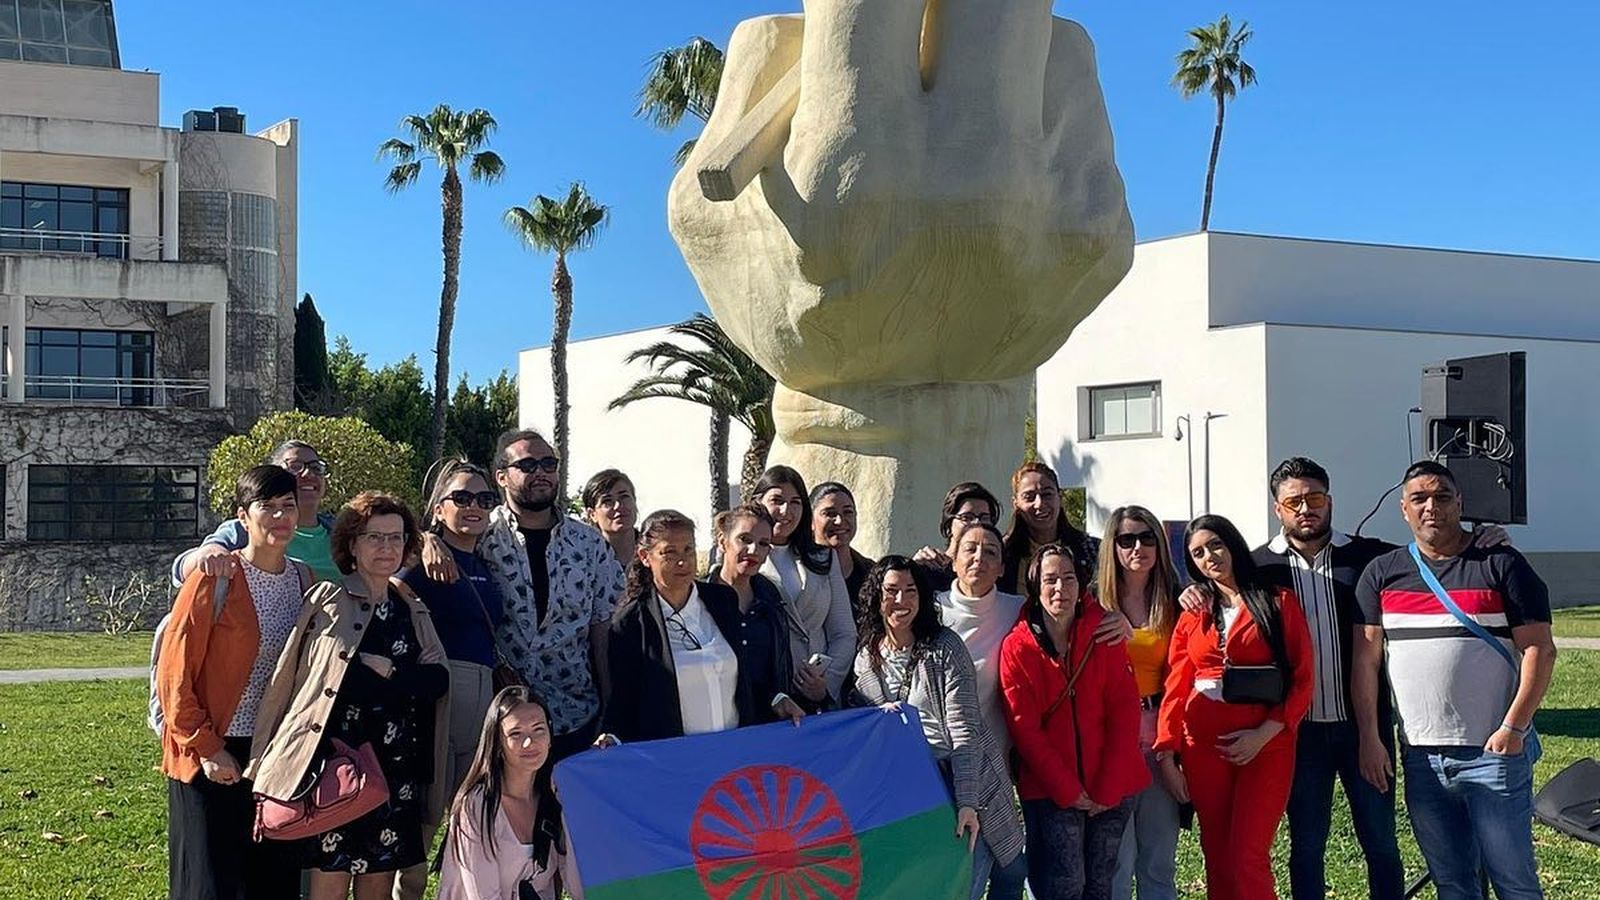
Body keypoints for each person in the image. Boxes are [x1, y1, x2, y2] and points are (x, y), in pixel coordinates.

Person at [1353, 461, 1556, 900]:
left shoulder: (1501, 563)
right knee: (1453, 883)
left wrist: (1513, 729)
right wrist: (1370, 736)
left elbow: (1540, 650)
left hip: (1493, 754)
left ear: (1460, 504)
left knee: (1514, 882)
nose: (1431, 507)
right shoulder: (1382, 573)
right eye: (1419, 499)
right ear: (1403, 509)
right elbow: (1365, 661)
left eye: (1442, 497)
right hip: (1421, 759)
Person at [248, 492, 451, 900]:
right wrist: (387, 678)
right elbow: (322, 681)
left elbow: (437, 682)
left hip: (395, 770)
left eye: (396, 538)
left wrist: (390, 671)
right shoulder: (327, 601)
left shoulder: (410, 605)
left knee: (378, 890)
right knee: (330, 885)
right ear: (352, 545)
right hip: (337, 767)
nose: (386, 547)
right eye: (375, 537)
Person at [426, 430, 626, 761]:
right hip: (501, 719)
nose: (541, 472)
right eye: (528, 465)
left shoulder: (589, 544)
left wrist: (611, 708)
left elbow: (602, 629)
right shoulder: (481, 535)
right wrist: (427, 540)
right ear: (501, 477)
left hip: (577, 717)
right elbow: (427, 538)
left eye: (549, 464)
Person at [156, 465, 308, 900]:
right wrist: (208, 748)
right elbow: (174, 675)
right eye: (267, 507)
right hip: (212, 751)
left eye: (288, 506)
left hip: (273, 756)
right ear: (243, 516)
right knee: (210, 885)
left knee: (271, 885)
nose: (279, 516)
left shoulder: (302, 580)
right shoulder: (216, 576)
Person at [1155, 514, 1313, 900]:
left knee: (1247, 854)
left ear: (1232, 545)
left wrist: (1266, 732)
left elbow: (1304, 676)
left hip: (1265, 743)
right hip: (1203, 746)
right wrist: (1167, 752)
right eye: (1198, 553)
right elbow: (1176, 684)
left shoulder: (1277, 601)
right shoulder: (1194, 612)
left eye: (1215, 545)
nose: (1209, 557)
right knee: (1217, 854)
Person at [851, 556, 1026, 900]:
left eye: (910, 590)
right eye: (891, 591)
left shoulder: (945, 647)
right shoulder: (866, 659)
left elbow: (964, 729)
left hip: (960, 779)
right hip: (910, 791)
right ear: (875, 597)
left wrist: (967, 802)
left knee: (974, 880)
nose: (901, 600)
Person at [1001, 543, 1147, 900]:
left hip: (1111, 783)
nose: (1060, 589)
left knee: (1100, 884)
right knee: (1064, 884)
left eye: (1068, 579)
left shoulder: (1104, 633)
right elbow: (1025, 729)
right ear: (1035, 587)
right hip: (1051, 788)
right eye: (1050, 580)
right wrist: (1068, 790)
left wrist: (1107, 789)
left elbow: (1125, 713)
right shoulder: (1018, 647)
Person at [394, 460, 506, 900]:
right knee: (425, 815)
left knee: (473, 815)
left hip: (484, 695)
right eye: (461, 497)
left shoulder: (486, 561)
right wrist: (424, 540)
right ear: (439, 508)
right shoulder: (421, 561)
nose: (474, 506)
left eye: (484, 499)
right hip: (441, 694)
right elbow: (391, 591)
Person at [600, 510, 805, 743]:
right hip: (679, 755)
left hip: (737, 748)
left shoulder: (723, 601)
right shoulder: (630, 623)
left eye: (688, 549)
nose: (683, 561)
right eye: (669, 552)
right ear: (645, 557)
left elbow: (745, 675)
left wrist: (777, 699)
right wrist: (611, 737)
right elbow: (623, 701)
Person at [1100, 506, 1185, 900]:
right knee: (1116, 862)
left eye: (1147, 537)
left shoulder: (1175, 600)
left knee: (1158, 860)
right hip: (1111, 742)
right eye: (1127, 539)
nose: (1138, 547)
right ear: (1113, 547)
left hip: (1159, 740)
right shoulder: (1094, 604)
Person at [438, 687, 582, 900]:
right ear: (498, 743)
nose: (529, 742)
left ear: (550, 737)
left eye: (538, 730)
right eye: (516, 733)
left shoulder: (556, 798)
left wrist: (601, 762)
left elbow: (579, 886)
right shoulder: (478, 805)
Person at [754, 466, 856, 710]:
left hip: (816, 696)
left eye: (795, 502)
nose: (786, 511)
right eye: (777, 501)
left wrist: (825, 684)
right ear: (758, 502)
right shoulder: (747, 559)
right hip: (768, 697)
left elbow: (844, 633)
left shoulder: (824, 558)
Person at [171, 439, 340, 585]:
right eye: (295, 467)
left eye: (316, 468)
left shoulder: (342, 532)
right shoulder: (247, 529)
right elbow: (181, 569)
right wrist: (210, 553)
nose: (308, 473)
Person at [934, 523, 1025, 761]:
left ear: (1002, 569)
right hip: (934, 755)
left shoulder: (1018, 610)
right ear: (954, 562)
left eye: (990, 552)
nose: (979, 558)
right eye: (970, 549)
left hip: (993, 761)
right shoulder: (931, 610)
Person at [707, 504, 797, 727]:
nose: (754, 549)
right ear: (723, 541)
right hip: (715, 727)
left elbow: (774, 671)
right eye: (744, 539)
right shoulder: (698, 599)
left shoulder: (772, 598)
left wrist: (781, 697)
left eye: (763, 543)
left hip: (764, 728)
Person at [1001, 462, 1101, 596]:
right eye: (1029, 497)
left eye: (1047, 494)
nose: (1039, 504)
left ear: (1060, 498)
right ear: (1016, 504)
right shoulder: (1001, 554)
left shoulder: (1092, 550)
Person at [914, 481, 1004, 591]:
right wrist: (912, 569)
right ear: (949, 525)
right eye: (967, 517)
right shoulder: (929, 568)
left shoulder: (994, 572)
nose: (977, 523)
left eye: (984, 518)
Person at [810, 481, 873, 611]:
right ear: (810, 520)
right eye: (829, 513)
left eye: (848, 512)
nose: (839, 521)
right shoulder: (798, 573)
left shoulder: (871, 573)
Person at [581, 468, 638, 566]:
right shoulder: (583, 561)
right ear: (592, 514)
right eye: (607, 501)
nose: (618, 506)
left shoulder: (656, 552)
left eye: (624, 497)